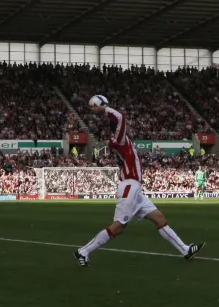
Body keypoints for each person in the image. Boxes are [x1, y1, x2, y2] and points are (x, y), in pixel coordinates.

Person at [74, 95, 205, 267]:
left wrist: (105, 112)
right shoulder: (119, 140)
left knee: (159, 218)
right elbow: (120, 117)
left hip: (135, 188)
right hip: (129, 186)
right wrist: (105, 109)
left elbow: (118, 121)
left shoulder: (121, 141)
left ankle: (185, 250)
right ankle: (83, 251)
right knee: (118, 227)